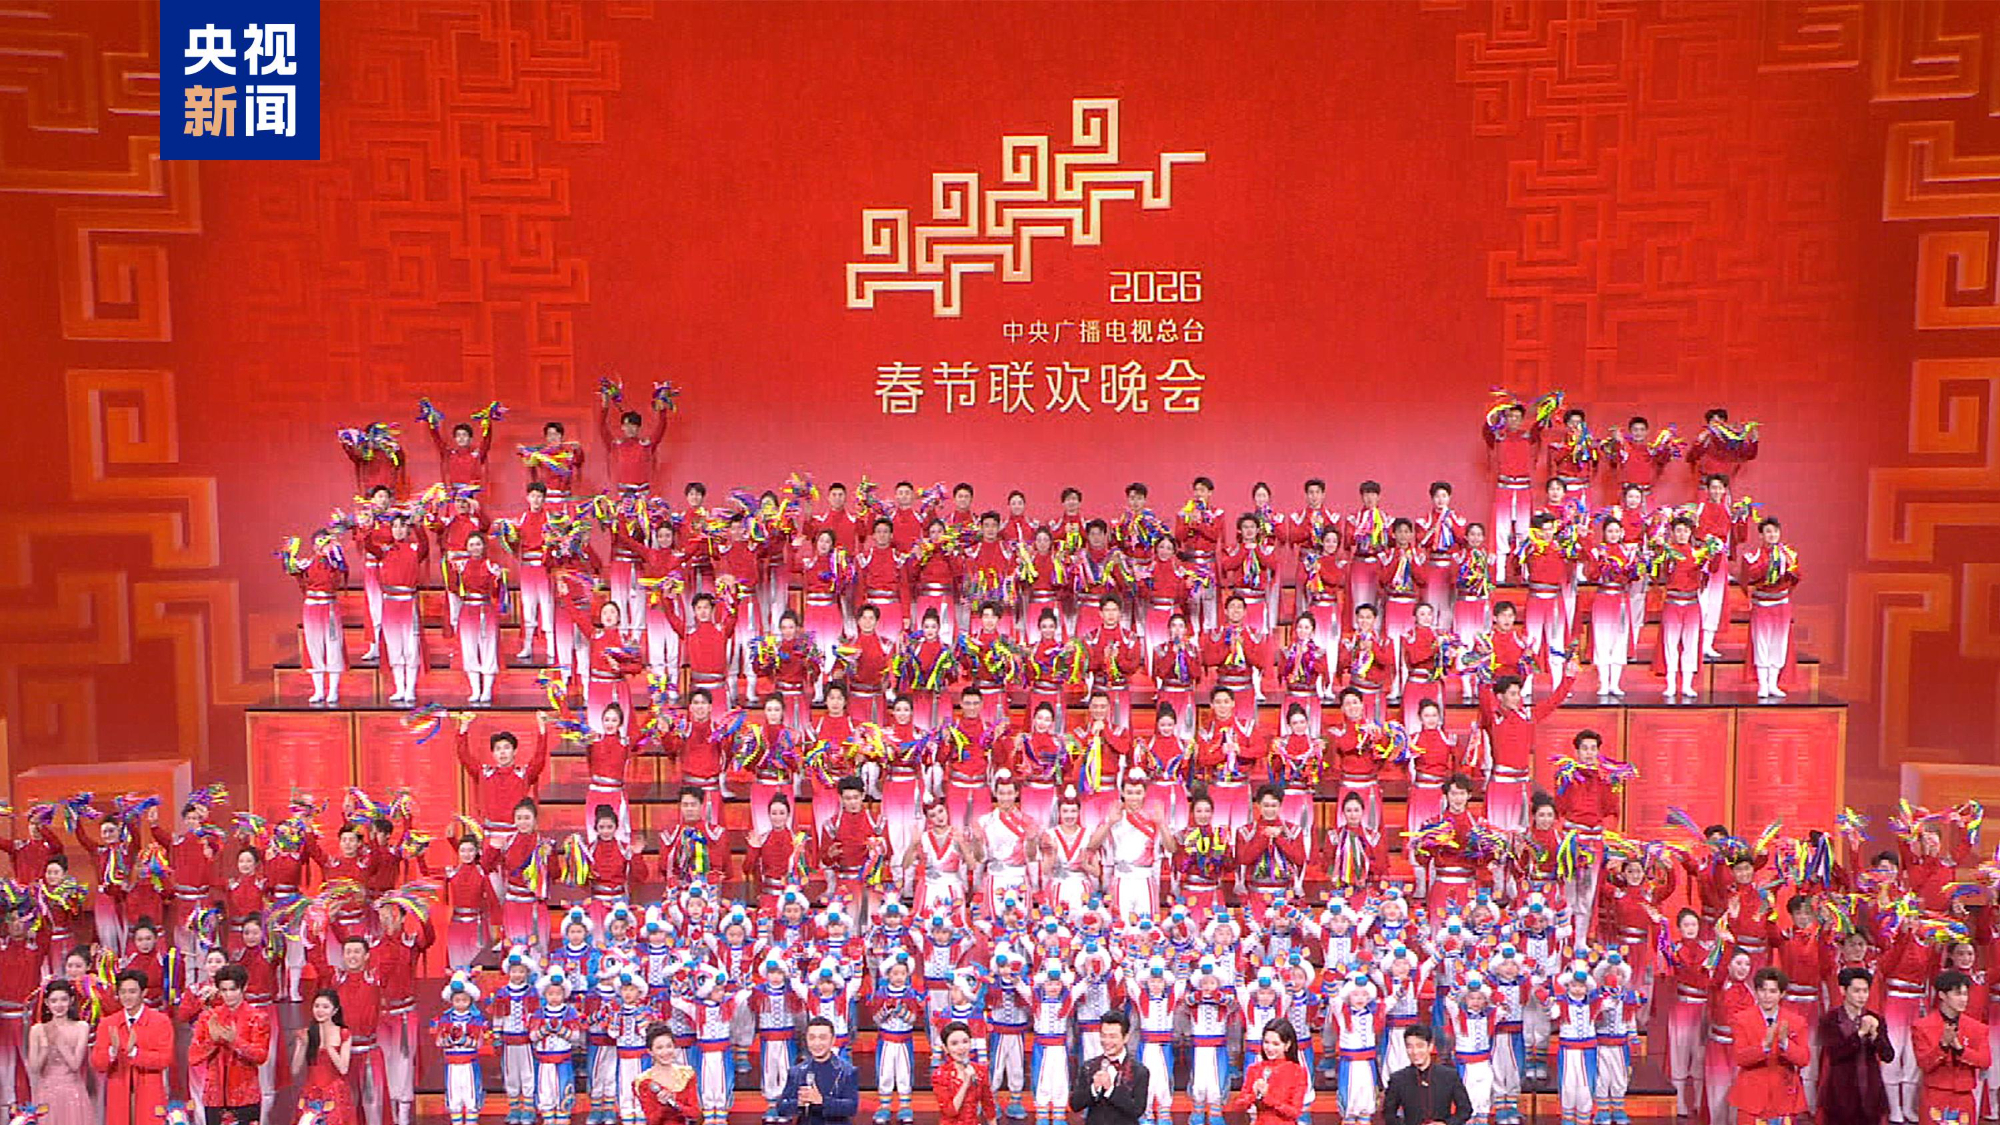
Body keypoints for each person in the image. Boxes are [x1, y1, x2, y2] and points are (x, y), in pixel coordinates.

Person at [189, 963, 272, 1125]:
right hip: (214, 1098)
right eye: (224, 990)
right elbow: (193, 1057)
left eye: (233, 989)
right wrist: (213, 1041)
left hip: (245, 1097)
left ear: (244, 988)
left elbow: (261, 1056)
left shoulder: (257, 1017)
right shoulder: (209, 1017)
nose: (229, 995)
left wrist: (235, 1042)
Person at [1730, 967, 1810, 1124]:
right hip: (1752, 1101)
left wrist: (1785, 1043)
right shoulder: (1741, 1020)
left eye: (1773, 991)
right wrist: (1764, 1047)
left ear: (1782, 994)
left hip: (1785, 1099)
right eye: (1763, 990)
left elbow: (1804, 1059)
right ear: (1756, 992)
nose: (1767, 996)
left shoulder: (1796, 1021)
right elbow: (1740, 1057)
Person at [92, 969, 171, 1125]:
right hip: (118, 1093)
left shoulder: (160, 1021)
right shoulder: (108, 1024)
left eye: (132, 992)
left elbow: (164, 1059)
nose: (127, 997)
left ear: (144, 992)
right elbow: (98, 1063)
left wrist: (135, 1053)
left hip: (149, 1092)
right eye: (123, 992)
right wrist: (112, 1052)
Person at [1914, 969, 1991, 1125]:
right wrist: (1943, 1045)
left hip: (1964, 1097)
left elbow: (1985, 1061)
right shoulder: (1922, 1027)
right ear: (1942, 995)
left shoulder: (1977, 1028)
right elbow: (1924, 1063)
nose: (1963, 999)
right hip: (1935, 1095)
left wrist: (1960, 1049)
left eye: (1965, 994)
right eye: (1957, 994)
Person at [1817, 967, 1893, 1125]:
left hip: (1870, 1093)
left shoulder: (1875, 1019)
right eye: (1856, 991)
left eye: (1865, 991)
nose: (1862, 996)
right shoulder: (1830, 1020)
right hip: (1840, 1094)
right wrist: (1860, 1033)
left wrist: (1875, 1035)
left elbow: (1888, 1055)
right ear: (1843, 990)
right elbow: (1835, 1054)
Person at [27, 979, 90, 1125]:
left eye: (63, 1000)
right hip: (46, 1092)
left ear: (71, 1001)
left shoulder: (81, 1027)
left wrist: (59, 1042)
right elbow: (34, 1069)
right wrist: (45, 1048)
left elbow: (75, 1065)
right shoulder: (37, 1029)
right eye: (54, 1001)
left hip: (73, 1092)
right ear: (47, 1003)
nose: (59, 1005)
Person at [774, 1018, 861, 1125]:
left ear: (833, 1040)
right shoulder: (797, 1072)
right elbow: (782, 1107)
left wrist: (822, 1101)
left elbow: (852, 1107)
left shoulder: (847, 1071)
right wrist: (799, 1103)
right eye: (812, 1038)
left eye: (822, 1038)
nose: (817, 1043)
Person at [1069, 1011, 1148, 1125]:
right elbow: (1075, 1105)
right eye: (1103, 1036)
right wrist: (1093, 1088)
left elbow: (1137, 1109)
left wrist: (1110, 1090)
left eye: (1112, 1037)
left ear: (1125, 1038)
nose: (1107, 1041)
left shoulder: (1139, 1071)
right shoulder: (1089, 1067)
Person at [1382, 1024, 1471, 1125]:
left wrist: (1446, 1124)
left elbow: (1465, 1110)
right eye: (1410, 1047)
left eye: (1420, 1046)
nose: (1415, 1052)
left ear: (1430, 1046)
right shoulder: (1398, 1079)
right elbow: (1388, 1114)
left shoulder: (1449, 1075)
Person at [1225, 1019, 1307, 1125]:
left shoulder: (1297, 1072)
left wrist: (1269, 1097)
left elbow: (1294, 1112)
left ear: (1287, 1045)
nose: (1269, 1048)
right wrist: (1252, 1095)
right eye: (1266, 1042)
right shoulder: (1255, 1069)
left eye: (1276, 1044)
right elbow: (1238, 1107)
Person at [294, 988, 357, 1125]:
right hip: (311, 1092)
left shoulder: (343, 1033)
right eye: (317, 1006)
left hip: (335, 1094)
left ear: (335, 1011)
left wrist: (329, 1047)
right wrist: (303, 1045)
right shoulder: (307, 1033)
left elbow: (343, 1069)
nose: (320, 1010)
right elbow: (295, 1070)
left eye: (325, 1007)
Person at [636, 1022, 701, 1125]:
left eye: (669, 1046)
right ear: (650, 1051)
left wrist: (675, 1103)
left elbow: (695, 1114)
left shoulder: (686, 1074)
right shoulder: (645, 1081)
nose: (666, 1052)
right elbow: (652, 1120)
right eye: (659, 1048)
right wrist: (663, 1105)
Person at [935, 1020, 996, 1125]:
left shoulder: (980, 1071)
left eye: (965, 1042)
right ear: (946, 1048)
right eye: (954, 1044)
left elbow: (988, 1106)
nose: (961, 1048)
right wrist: (966, 1083)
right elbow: (950, 1111)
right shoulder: (941, 1074)